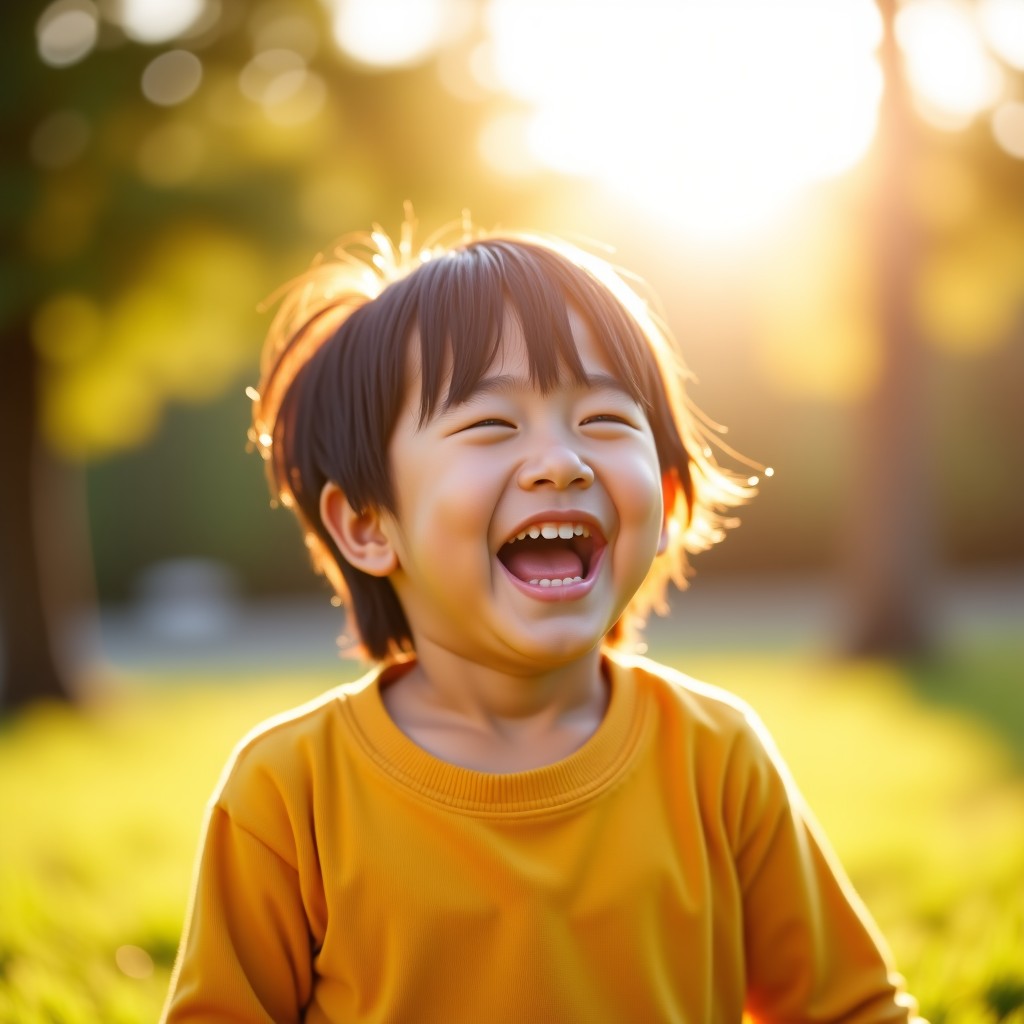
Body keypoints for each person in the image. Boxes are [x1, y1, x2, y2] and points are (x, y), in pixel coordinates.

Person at [162, 217, 923, 1023]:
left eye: (604, 421)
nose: (562, 461)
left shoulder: (716, 758)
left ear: (664, 502)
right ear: (367, 524)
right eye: (490, 425)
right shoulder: (290, 794)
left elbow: (852, 1012)